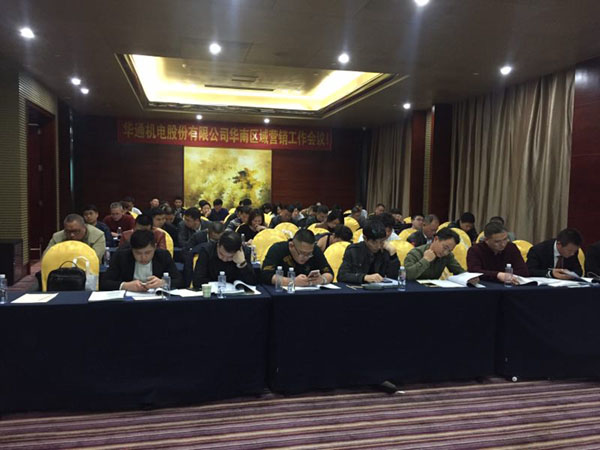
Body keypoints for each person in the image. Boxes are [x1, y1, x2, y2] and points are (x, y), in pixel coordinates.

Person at [101, 230, 183, 291]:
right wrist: (125, 285)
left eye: (148, 252)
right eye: (138, 253)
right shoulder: (121, 256)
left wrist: (164, 283)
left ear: (155, 247)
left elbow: (179, 280)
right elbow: (104, 282)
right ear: (132, 249)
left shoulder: (163, 255)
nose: (143, 257)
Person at [261, 229, 334, 286]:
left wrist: (322, 280)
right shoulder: (278, 249)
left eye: (309, 254)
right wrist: (292, 281)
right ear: (291, 246)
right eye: (302, 253)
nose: (306, 257)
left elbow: (329, 273)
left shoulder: (315, 250)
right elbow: (266, 275)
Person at [337, 219, 400, 284]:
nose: (378, 246)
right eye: (374, 242)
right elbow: (342, 276)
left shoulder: (385, 250)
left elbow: (394, 277)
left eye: (381, 242)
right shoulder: (353, 250)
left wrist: (393, 255)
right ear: (365, 238)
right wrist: (364, 277)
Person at [183, 221, 227, 286]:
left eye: (219, 240)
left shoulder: (226, 239)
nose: (216, 243)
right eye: (214, 239)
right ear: (208, 232)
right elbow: (186, 251)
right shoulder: (197, 236)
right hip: (199, 264)